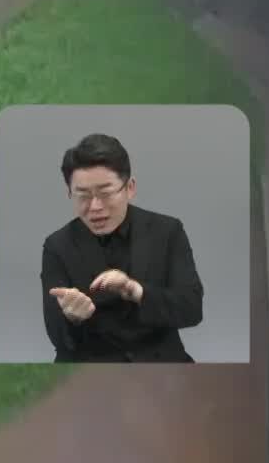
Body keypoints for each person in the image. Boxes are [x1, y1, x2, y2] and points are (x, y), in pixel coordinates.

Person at [41, 133, 205, 362]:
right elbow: (57, 336)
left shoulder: (167, 231)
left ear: (130, 188)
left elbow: (192, 309)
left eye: (106, 193)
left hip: (161, 365)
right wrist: (71, 317)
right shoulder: (57, 246)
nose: (95, 206)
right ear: (69, 193)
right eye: (83, 196)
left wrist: (135, 290)